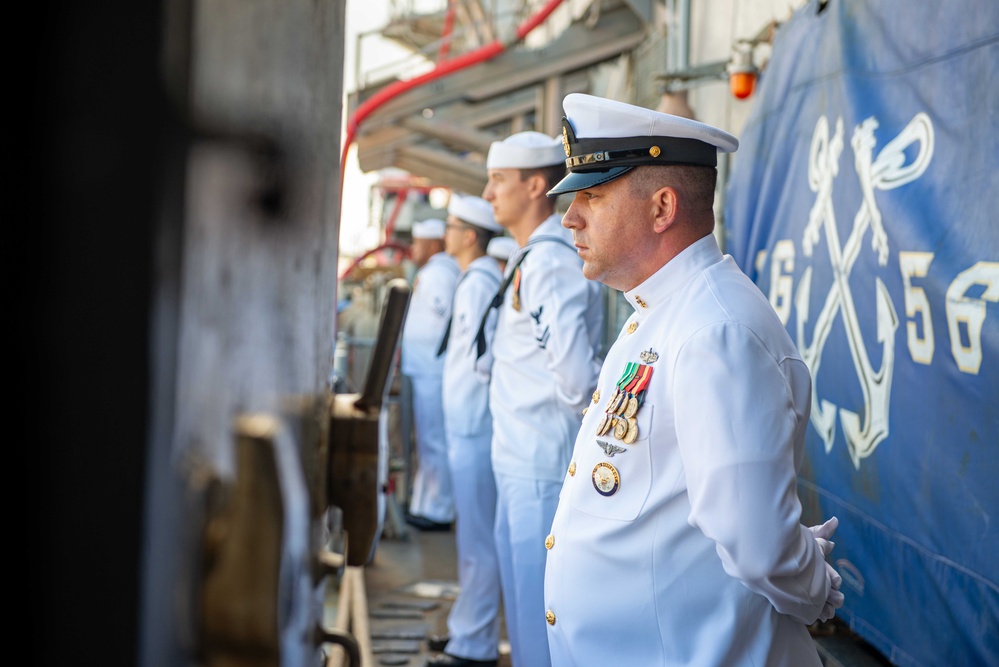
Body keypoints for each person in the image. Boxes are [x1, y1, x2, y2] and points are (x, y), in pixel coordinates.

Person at [543, 92, 844, 666]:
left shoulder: (716, 330)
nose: (570, 217)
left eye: (594, 195)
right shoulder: (662, 313)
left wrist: (811, 589)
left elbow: (757, 542)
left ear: (662, 208)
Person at [478, 131, 604, 667]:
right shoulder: (535, 254)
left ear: (535, 186)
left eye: (498, 180)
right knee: (527, 614)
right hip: (520, 458)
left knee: (540, 622)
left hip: (539, 462)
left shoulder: (549, 260)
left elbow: (576, 378)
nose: (488, 194)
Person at [426, 194, 505, 667]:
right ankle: (465, 631)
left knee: (478, 539)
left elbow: (484, 357)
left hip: (474, 425)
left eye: (453, 226)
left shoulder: (477, 283)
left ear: (470, 236)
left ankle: (473, 643)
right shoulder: (470, 279)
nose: (447, 233)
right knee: (471, 537)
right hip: (465, 423)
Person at [401, 217, 460, 531]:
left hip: (432, 369)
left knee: (434, 440)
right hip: (426, 367)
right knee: (427, 439)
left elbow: (445, 318)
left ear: (435, 244)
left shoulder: (437, 274)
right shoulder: (435, 271)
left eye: (419, 242)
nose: (414, 247)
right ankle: (425, 504)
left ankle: (438, 509)